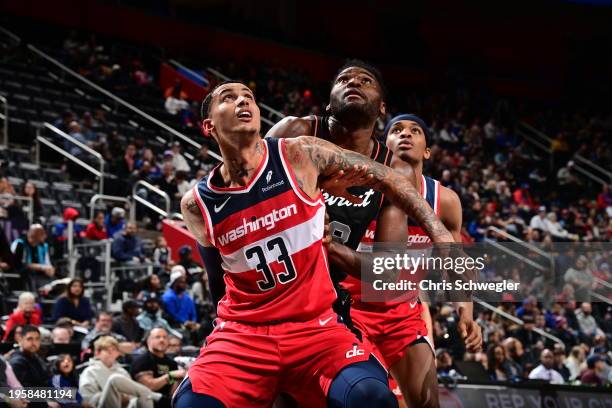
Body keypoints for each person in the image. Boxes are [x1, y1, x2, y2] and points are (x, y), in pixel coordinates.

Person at [174, 80, 451, 407]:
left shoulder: (300, 154)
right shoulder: (196, 204)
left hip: (314, 329)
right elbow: (217, 283)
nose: (242, 101)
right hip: (244, 334)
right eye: (228, 98)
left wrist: (439, 232)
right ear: (209, 126)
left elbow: (388, 177)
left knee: (373, 398)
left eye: (248, 96)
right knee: (192, 404)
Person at [79, 336, 162, 408]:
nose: (111, 353)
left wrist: (127, 398)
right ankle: (155, 396)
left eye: (114, 350)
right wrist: (116, 396)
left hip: (126, 405)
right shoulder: (89, 372)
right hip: (103, 405)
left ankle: (150, 394)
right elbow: (87, 400)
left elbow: (133, 395)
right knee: (114, 379)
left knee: (145, 397)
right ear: (97, 353)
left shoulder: (122, 371)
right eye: (107, 350)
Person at [131, 328, 186, 408]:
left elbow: (172, 392)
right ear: (148, 341)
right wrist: (170, 375)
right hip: (147, 402)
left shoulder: (171, 363)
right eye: (157, 337)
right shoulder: (142, 361)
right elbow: (148, 387)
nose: (162, 340)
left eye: (165, 337)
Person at [10, 224, 55, 290]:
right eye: (41, 234)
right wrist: (40, 267)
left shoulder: (43, 246)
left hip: (40, 275)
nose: (45, 236)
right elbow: (17, 264)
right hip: (22, 275)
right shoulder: (19, 244)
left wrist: (50, 269)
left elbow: (47, 263)